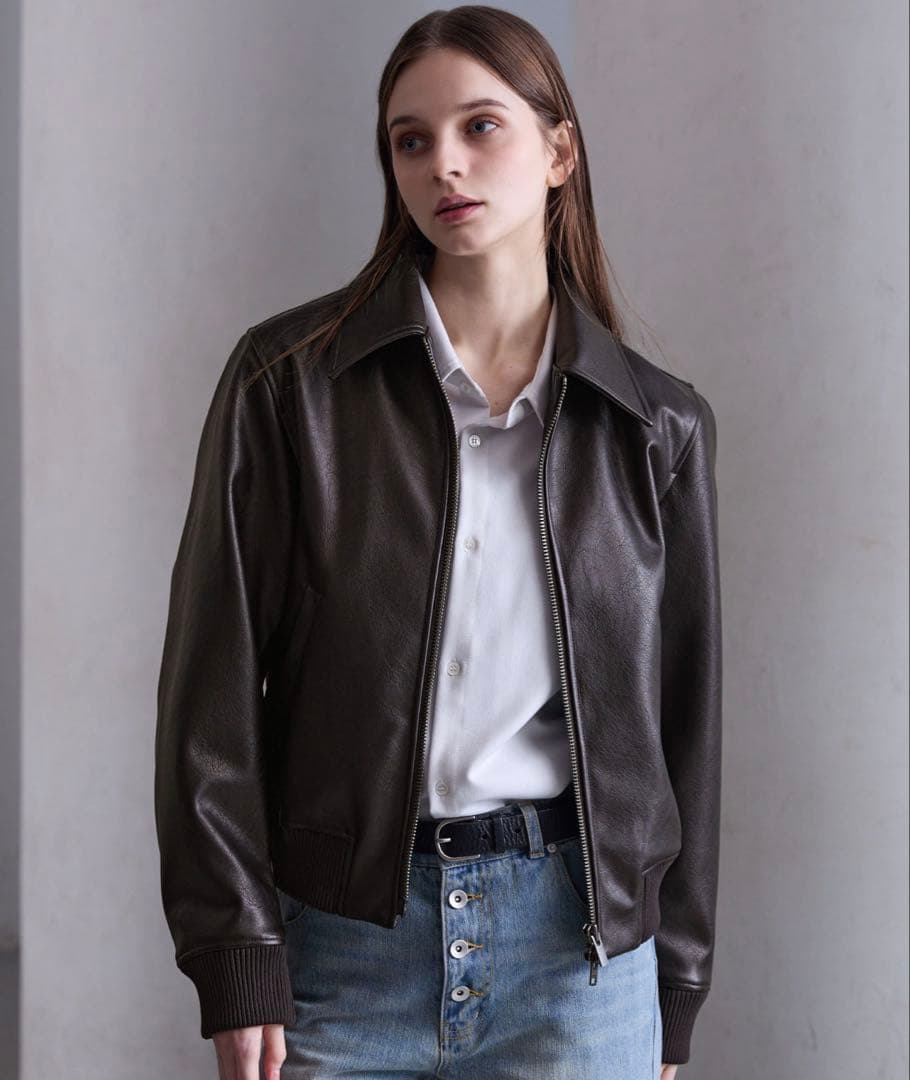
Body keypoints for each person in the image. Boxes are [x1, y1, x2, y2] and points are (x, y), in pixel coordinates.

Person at [154, 6, 722, 1079]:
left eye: (480, 126)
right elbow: (210, 696)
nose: (443, 165)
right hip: (341, 948)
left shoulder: (656, 426)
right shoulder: (288, 386)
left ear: (559, 152)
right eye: (410, 140)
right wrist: (238, 951)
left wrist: (674, 991)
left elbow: (683, 728)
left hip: (580, 962)